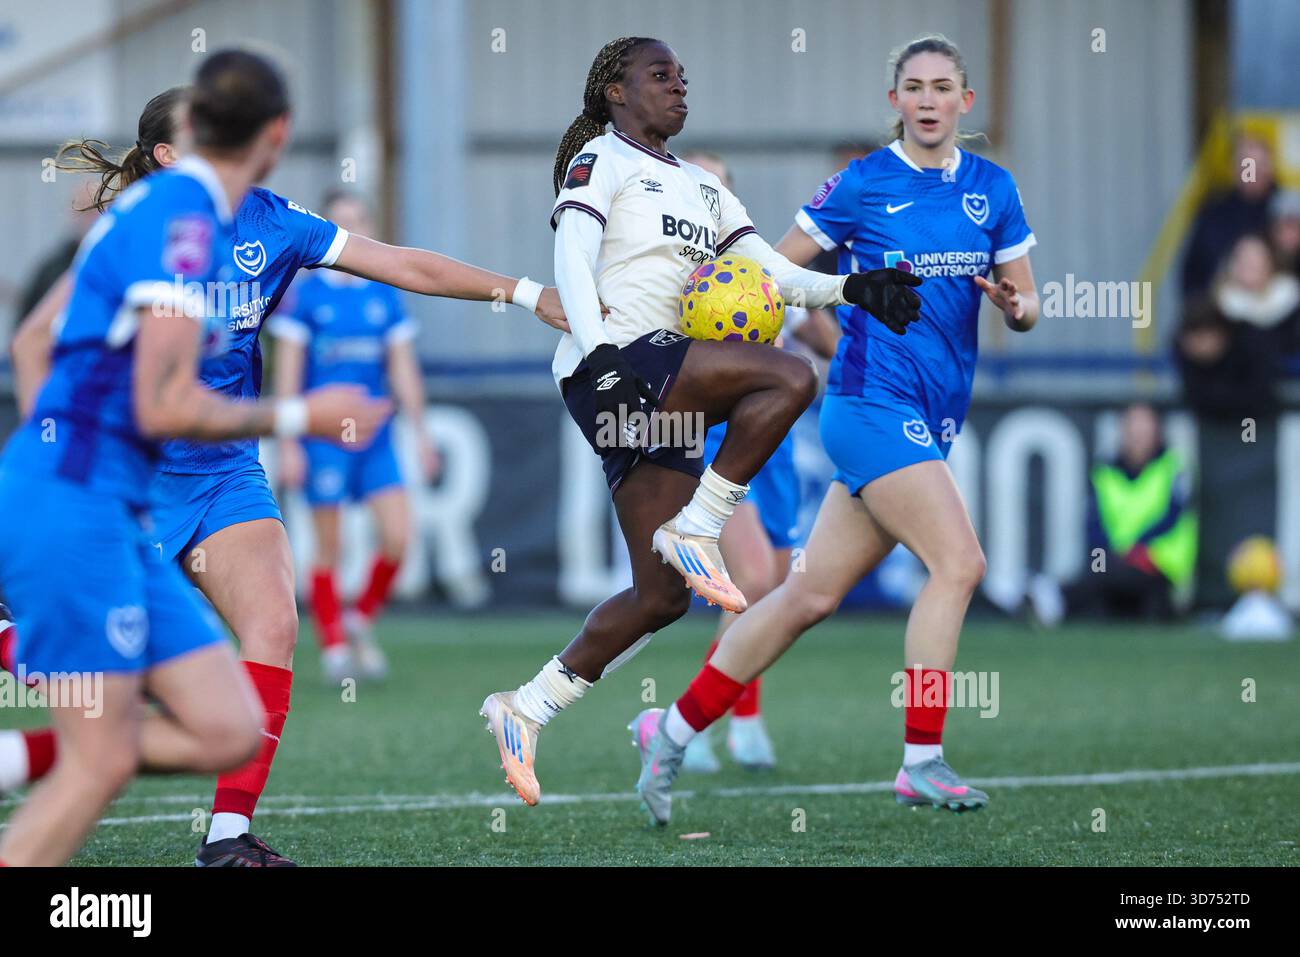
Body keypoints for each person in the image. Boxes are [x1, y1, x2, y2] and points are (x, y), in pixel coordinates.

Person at [1, 84, 568, 865]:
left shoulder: (272, 219)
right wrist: (53, 461)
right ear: (168, 155)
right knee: (115, 701)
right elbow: (45, 347)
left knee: (270, 627)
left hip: (225, 471)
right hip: (129, 480)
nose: (251, 139)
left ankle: (228, 836)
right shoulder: (145, 231)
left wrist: (527, 292)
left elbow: (402, 263)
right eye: (217, 131)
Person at [478, 36, 921, 807]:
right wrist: (601, 357)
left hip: (659, 386)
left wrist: (852, 288)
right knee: (789, 374)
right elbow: (572, 264)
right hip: (617, 369)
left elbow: (771, 273)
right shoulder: (602, 161)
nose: (679, 86)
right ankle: (700, 525)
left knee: (660, 599)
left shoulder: (706, 187)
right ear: (617, 90)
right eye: (661, 76)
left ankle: (527, 705)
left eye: (685, 76)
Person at [629, 33, 1040, 824]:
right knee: (959, 562)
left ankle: (669, 729)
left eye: (941, 86)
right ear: (896, 101)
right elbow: (773, 273)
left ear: (964, 101)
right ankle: (922, 759)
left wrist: (1017, 307)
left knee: (802, 595)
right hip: (865, 405)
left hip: (931, 417)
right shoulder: (862, 184)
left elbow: (1027, 303)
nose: (927, 99)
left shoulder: (994, 189)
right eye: (913, 87)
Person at [0, 48, 392, 867]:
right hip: (98, 494)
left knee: (224, 720)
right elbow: (156, 403)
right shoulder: (177, 218)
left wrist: (524, 293)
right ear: (277, 134)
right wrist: (301, 412)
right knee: (103, 735)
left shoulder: (235, 215)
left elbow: (34, 340)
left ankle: (222, 838)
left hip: (172, 478)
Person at [674, 150, 839, 773]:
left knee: (770, 594)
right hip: (709, 444)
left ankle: (739, 721)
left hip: (775, 447)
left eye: (715, 185)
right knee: (751, 584)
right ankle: (691, 728)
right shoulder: (664, 272)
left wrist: (816, 319)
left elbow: (823, 344)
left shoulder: (760, 274)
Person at [271, 190, 437, 683]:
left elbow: (404, 371)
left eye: (358, 220)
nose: (351, 230)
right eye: (340, 222)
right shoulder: (306, 295)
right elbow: (288, 372)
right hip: (323, 438)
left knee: (397, 538)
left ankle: (359, 618)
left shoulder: (383, 294)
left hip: (378, 437)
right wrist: (286, 440)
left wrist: (422, 434)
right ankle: (336, 648)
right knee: (330, 547)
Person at [1027, 403, 1195, 624]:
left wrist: (1135, 548)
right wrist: (1113, 553)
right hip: (1113, 562)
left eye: (1144, 429)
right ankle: (1054, 601)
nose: (1138, 436)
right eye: (1133, 429)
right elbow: (1094, 525)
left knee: (1116, 581)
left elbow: (1171, 519)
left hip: (1157, 567)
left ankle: (1055, 599)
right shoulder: (1104, 473)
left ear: (1157, 433)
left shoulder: (1172, 468)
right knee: (1104, 573)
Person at [1181, 134, 1277, 301]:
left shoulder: (1288, 214)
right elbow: (1192, 272)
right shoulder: (1213, 213)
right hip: (1221, 311)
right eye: (1247, 165)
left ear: (1270, 167)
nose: (1253, 172)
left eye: (1259, 165)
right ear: (1234, 169)